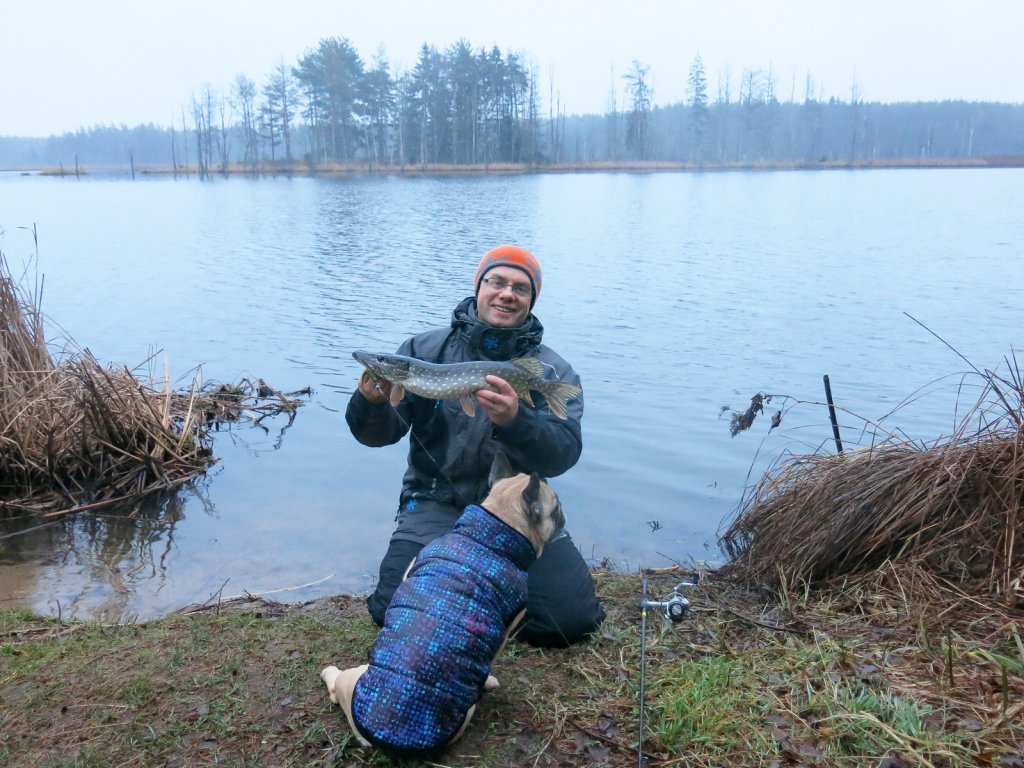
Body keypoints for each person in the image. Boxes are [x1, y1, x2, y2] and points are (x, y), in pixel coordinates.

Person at [346, 244, 605, 648]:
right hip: (435, 504)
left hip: (520, 510)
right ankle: (482, 597)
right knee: (390, 609)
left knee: (570, 622)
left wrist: (515, 421)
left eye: (520, 288)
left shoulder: (553, 372)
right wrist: (372, 403)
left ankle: (474, 598)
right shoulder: (422, 351)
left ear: (531, 300)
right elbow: (375, 436)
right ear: (479, 287)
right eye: (497, 282)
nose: (507, 293)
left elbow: (563, 454)